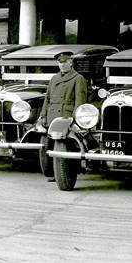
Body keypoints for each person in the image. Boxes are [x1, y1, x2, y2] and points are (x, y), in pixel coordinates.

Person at [37, 50, 87, 180]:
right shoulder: (54, 78)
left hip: (66, 117)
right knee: (50, 147)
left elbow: (79, 101)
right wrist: (43, 116)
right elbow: (47, 99)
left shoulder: (78, 78)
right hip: (52, 117)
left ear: (71, 62)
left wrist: (75, 119)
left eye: (65, 62)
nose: (62, 65)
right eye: (60, 63)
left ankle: (66, 175)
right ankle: (55, 174)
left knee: (65, 148)